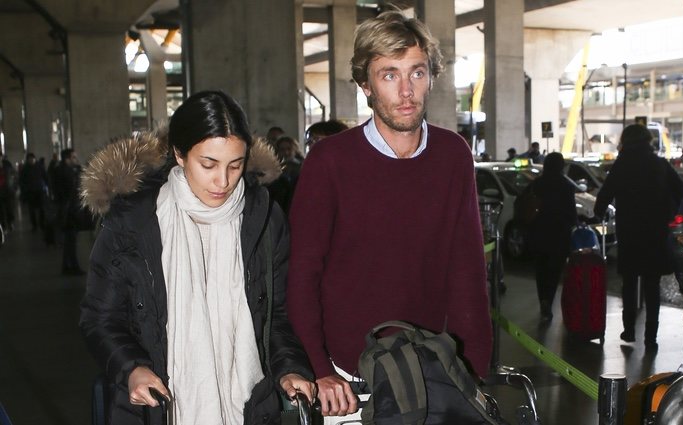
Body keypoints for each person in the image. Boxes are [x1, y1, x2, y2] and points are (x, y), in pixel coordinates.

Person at [287, 10, 492, 422]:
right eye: (389, 75)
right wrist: (321, 370)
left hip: (431, 371)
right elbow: (302, 273)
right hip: (347, 381)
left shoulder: (452, 155)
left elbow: (467, 273)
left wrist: (475, 375)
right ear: (365, 84)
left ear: (431, 77)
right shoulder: (330, 160)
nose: (405, 91)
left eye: (416, 73)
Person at [78, 91, 315, 425]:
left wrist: (290, 368)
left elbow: (275, 316)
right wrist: (132, 368)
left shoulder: (263, 217)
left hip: (248, 408)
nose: (223, 181)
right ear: (179, 154)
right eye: (208, 164)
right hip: (156, 410)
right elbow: (99, 318)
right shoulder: (132, 220)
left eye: (235, 165)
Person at [594, 124, 683, 349]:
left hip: (630, 233)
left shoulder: (622, 165)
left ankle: (629, 330)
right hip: (655, 233)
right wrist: (674, 214)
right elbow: (682, 191)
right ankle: (651, 337)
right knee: (652, 285)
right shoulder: (659, 164)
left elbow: (604, 195)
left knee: (629, 283)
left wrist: (597, 214)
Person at [525, 152, 577, 321]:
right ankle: (549, 300)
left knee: (541, 269)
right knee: (554, 272)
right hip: (559, 235)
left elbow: (525, 204)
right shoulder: (566, 185)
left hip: (538, 233)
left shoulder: (537, 184)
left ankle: (543, 301)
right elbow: (571, 213)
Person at [54, 148, 85, 275]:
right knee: (71, 240)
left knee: (69, 240)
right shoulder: (66, 172)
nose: (76, 160)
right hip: (69, 211)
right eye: (73, 157)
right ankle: (72, 267)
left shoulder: (61, 170)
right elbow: (72, 190)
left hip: (66, 209)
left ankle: (67, 266)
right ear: (67, 158)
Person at [19, 153, 47, 231]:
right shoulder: (25, 169)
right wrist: (24, 190)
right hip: (30, 192)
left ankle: (42, 224)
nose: (31, 160)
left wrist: (47, 186)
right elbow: (22, 181)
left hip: (39, 190)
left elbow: (45, 176)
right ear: (27, 160)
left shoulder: (39, 167)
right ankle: (34, 225)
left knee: (42, 209)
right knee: (32, 210)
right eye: (30, 159)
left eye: (32, 159)